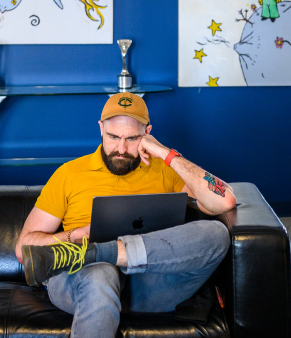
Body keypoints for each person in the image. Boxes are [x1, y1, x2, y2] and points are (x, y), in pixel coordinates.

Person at [15, 92, 236, 338]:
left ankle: (101, 252)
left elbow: (224, 200)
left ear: (147, 132)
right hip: (84, 280)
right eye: (113, 136)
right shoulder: (69, 174)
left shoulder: (165, 170)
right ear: (100, 128)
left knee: (216, 232)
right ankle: (96, 256)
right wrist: (76, 236)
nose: (121, 148)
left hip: (150, 283)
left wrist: (165, 153)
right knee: (101, 273)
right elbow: (23, 248)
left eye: (132, 138)